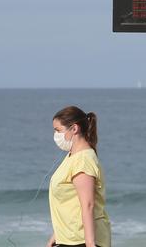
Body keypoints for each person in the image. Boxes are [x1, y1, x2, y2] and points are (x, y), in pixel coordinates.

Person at [46, 106, 111, 247]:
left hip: (81, 241)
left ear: (74, 129)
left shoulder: (83, 160)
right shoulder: (72, 156)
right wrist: (56, 234)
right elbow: (71, 203)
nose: (55, 135)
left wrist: (90, 244)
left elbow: (88, 205)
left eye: (58, 130)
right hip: (69, 238)